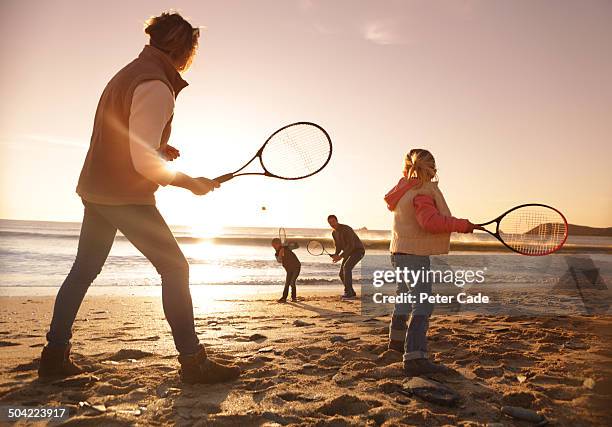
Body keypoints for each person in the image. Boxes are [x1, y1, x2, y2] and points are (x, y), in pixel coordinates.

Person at [38, 12, 240, 384]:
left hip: (96, 190)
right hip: (125, 197)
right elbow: (142, 164)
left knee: (83, 271)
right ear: (185, 47)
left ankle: (53, 355)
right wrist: (189, 182)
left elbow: (125, 136)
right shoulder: (156, 84)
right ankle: (194, 362)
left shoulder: (129, 72)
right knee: (176, 268)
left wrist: (159, 147)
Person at [383, 148, 480, 376]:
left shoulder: (403, 189)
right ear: (433, 169)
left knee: (405, 299)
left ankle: (396, 345)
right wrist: (462, 225)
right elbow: (430, 222)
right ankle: (415, 357)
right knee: (423, 305)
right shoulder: (422, 191)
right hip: (414, 255)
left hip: (398, 252)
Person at [327, 215, 365, 299]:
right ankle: (351, 291)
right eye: (330, 223)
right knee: (341, 274)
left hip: (358, 251)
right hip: (349, 253)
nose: (332, 224)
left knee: (347, 268)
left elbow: (351, 245)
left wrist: (340, 256)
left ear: (337, 220)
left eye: (333, 221)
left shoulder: (346, 229)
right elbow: (338, 247)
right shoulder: (334, 233)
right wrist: (336, 255)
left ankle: (348, 292)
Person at [271, 238, 301, 303]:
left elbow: (297, 246)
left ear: (278, 244)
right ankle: (284, 298)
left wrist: (290, 242)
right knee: (287, 283)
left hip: (296, 266)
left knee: (292, 282)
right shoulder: (276, 253)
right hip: (288, 269)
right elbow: (279, 261)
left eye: (274, 245)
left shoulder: (287, 248)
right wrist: (280, 253)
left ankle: (294, 298)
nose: (273, 247)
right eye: (272, 246)